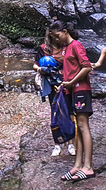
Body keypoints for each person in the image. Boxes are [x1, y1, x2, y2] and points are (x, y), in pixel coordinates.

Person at [49, 21, 95, 182]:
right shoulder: (67, 48)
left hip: (81, 89)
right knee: (78, 128)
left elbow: (87, 66)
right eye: (53, 38)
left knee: (83, 126)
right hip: (72, 90)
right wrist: (65, 83)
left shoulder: (76, 45)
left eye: (57, 36)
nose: (56, 40)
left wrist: (71, 81)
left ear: (64, 31)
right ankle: (77, 166)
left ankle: (88, 167)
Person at [33, 29, 76, 157]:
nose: (56, 39)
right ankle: (57, 144)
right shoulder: (44, 48)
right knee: (55, 112)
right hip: (51, 85)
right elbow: (35, 65)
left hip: (67, 83)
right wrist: (40, 69)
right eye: (53, 37)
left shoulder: (67, 47)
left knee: (69, 112)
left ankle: (71, 143)